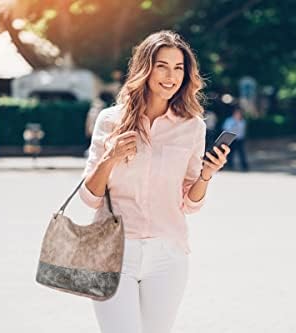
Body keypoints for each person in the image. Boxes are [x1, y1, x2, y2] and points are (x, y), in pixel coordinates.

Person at [78, 30, 231, 333]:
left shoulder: (192, 126)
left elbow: (189, 203)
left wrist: (206, 176)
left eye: (178, 68)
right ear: (145, 68)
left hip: (167, 256)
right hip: (114, 251)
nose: (171, 76)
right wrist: (110, 157)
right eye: (162, 66)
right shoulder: (110, 121)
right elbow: (89, 197)